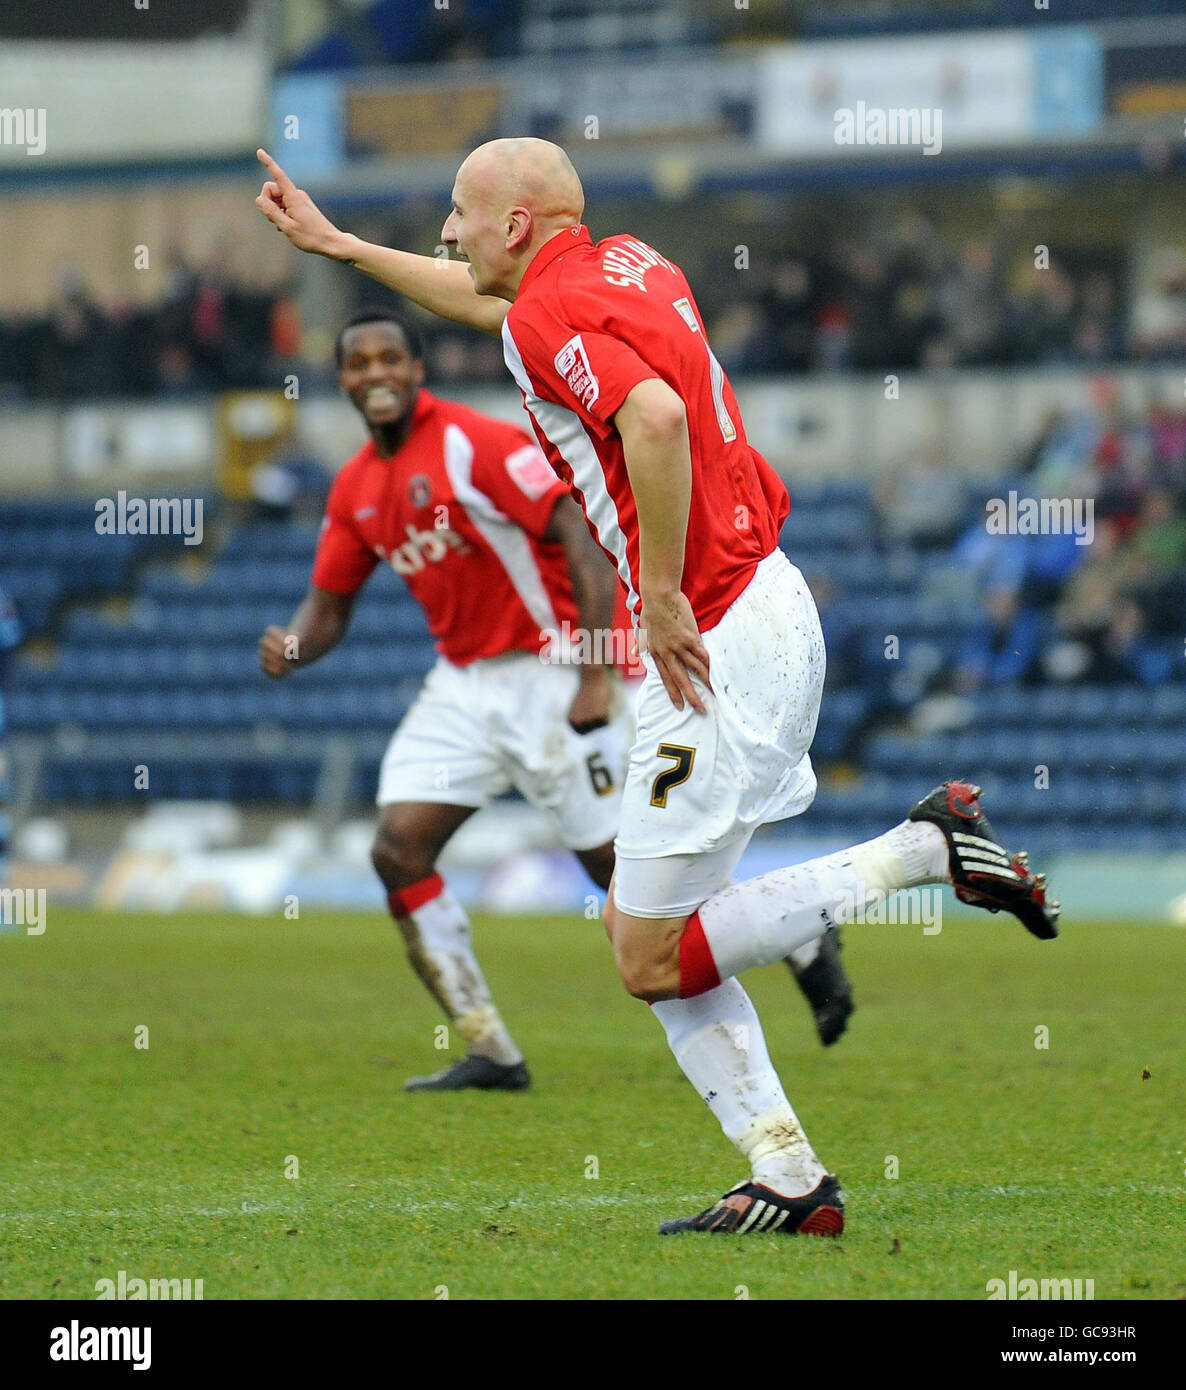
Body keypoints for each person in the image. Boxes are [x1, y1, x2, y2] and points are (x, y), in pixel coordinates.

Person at [254, 141, 1058, 1236]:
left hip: (710, 631)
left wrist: (664, 594)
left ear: (520, 224)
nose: (448, 232)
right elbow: (488, 305)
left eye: (460, 212)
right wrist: (340, 244)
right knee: (668, 949)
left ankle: (922, 850)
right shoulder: (628, 262)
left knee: (644, 952)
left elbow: (655, 421)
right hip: (768, 602)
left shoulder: (543, 321)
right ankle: (788, 1176)